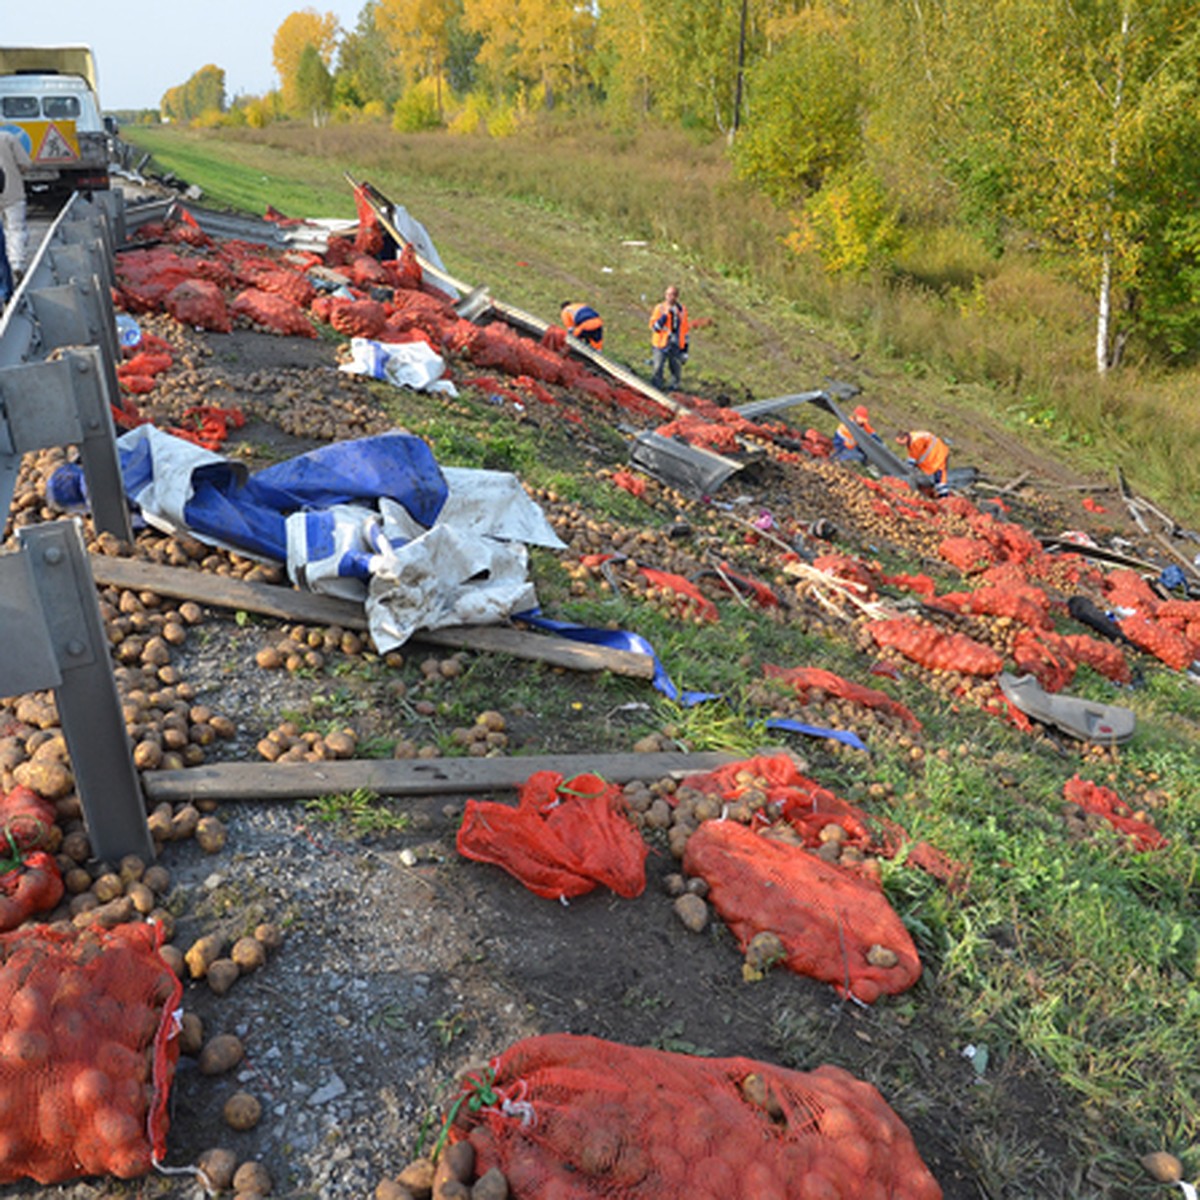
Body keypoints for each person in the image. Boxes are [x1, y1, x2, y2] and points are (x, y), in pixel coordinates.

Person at [0, 130, 31, 279]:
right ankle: (17, 262)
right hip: (12, 191)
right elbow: (25, 163)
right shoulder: (7, 138)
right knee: (16, 228)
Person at [649, 284, 689, 391]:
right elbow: (654, 327)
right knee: (658, 367)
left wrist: (685, 350)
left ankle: (674, 390)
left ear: (676, 296)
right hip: (660, 343)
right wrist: (665, 316)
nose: (670, 297)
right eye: (668, 294)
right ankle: (656, 389)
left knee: (675, 368)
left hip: (675, 343)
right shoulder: (660, 308)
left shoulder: (681, 310)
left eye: (673, 295)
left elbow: (685, 330)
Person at [895, 429, 951, 496]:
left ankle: (944, 495)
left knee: (940, 477)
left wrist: (909, 465)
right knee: (937, 476)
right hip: (936, 455)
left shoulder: (916, 441)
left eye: (900, 443)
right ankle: (941, 493)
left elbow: (914, 456)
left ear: (904, 438)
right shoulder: (913, 437)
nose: (900, 445)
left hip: (938, 455)